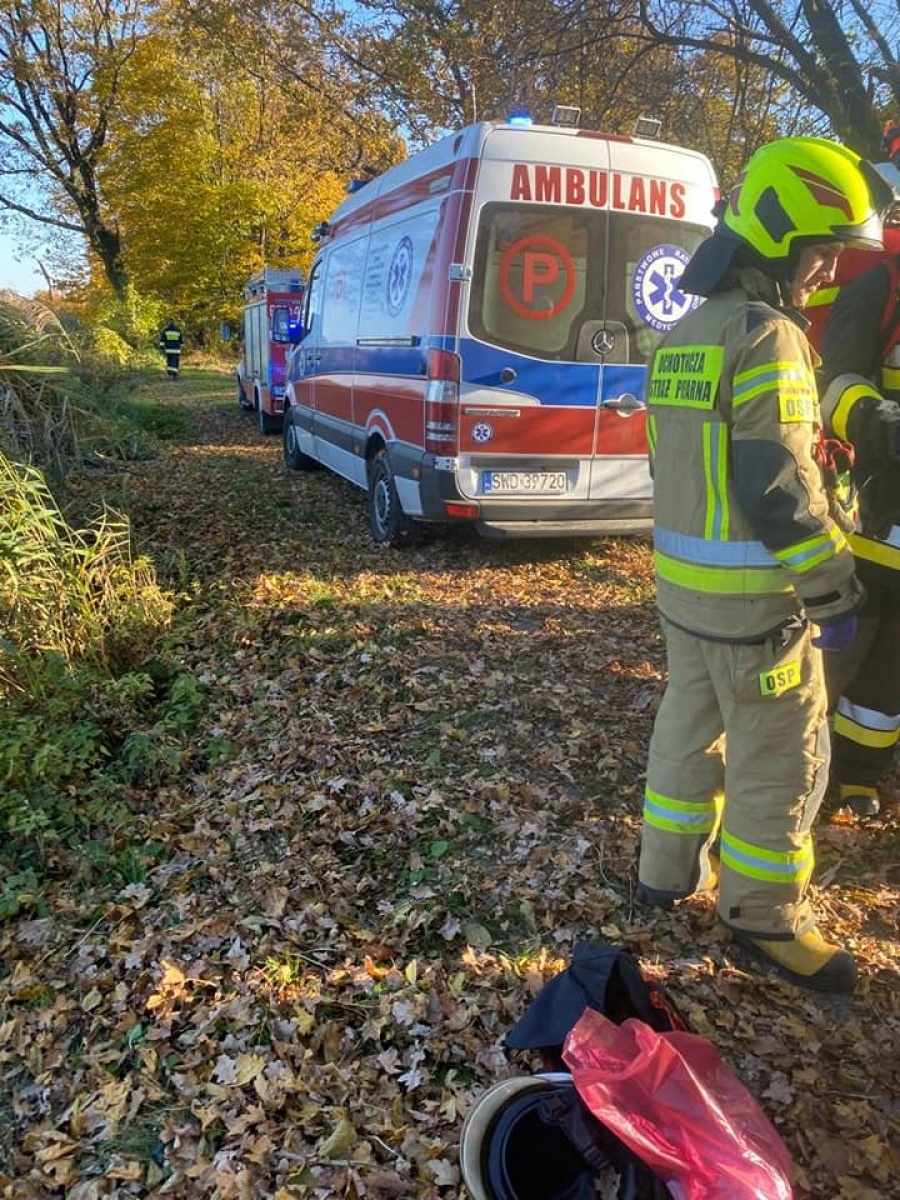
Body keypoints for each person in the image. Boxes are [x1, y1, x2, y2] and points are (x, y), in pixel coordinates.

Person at [636, 137, 886, 995]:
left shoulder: (685, 334)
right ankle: (765, 915)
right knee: (780, 759)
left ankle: (663, 874)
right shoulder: (768, 337)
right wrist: (832, 588)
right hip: (757, 608)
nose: (825, 273)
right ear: (780, 240)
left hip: (684, 597)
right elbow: (775, 486)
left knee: (686, 733)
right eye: (821, 252)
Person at [814, 125, 900, 818]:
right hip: (878, 515)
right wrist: (873, 421)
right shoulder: (882, 284)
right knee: (845, 654)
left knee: (893, 671)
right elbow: (835, 380)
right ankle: (815, 768)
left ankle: (864, 773)